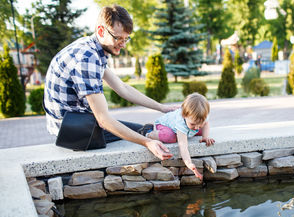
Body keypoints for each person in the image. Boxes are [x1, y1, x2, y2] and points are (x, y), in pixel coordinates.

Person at [43, 4, 174, 160]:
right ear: (101, 31)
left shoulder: (93, 47)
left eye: (126, 39)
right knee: (149, 132)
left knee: (145, 130)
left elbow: (122, 88)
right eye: (118, 38)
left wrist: (162, 108)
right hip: (73, 130)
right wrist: (147, 143)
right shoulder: (87, 57)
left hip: (75, 121)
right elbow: (103, 120)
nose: (123, 44)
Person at [146, 93, 215, 180]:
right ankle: (148, 132)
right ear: (184, 116)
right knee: (171, 137)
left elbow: (206, 124)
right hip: (164, 125)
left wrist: (205, 137)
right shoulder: (181, 122)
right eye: (193, 124)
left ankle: (192, 127)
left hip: (183, 125)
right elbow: (183, 145)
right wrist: (189, 163)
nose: (197, 127)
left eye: (199, 123)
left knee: (200, 130)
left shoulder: (202, 116)